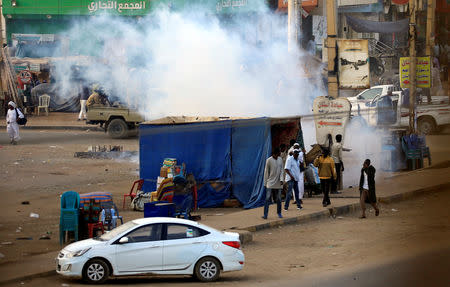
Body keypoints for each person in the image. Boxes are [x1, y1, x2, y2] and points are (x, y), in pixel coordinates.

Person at [262, 148, 284, 219]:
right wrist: (265, 183)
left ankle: (279, 213)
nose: (278, 155)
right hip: (270, 182)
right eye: (277, 154)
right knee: (268, 198)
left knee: (279, 199)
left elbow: (282, 170)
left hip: (278, 182)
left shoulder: (280, 160)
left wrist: (281, 179)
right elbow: (266, 172)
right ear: (274, 154)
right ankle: (265, 214)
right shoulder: (269, 160)